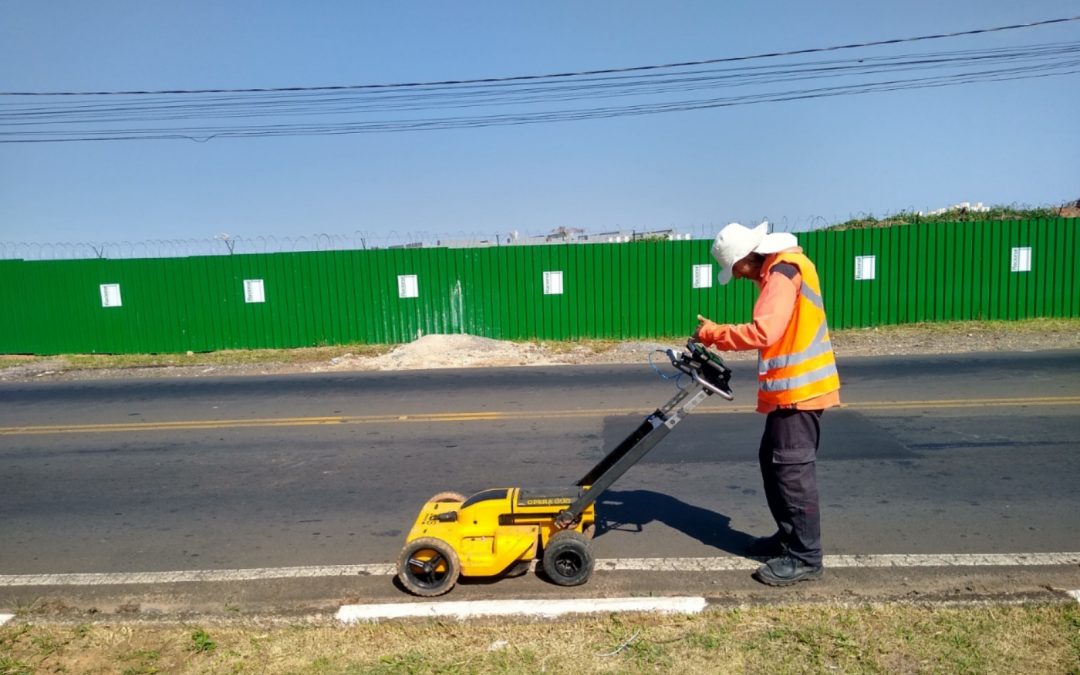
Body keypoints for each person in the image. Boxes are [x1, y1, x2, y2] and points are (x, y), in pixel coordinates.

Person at [693, 221, 840, 586]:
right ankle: (789, 537)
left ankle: (805, 556)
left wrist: (714, 334)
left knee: (791, 472)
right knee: (773, 463)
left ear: (746, 257)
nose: (739, 277)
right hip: (790, 392)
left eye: (736, 269)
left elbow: (765, 332)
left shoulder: (781, 272)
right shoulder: (782, 268)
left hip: (800, 392)